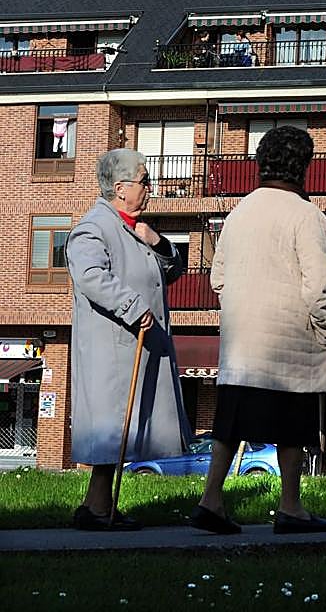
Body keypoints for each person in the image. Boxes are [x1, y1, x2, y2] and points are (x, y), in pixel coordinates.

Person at [191, 126, 326, 535]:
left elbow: (218, 279)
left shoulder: (238, 214)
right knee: (293, 428)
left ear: (261, 163)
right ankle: (291, 507)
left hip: (241, 344)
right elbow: (320, 284)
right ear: (304, 166)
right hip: (290, 343)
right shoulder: (307, 216)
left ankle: (211, 499)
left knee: (229, 425)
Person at [66, 149, 190, 531]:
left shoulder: (134, 229)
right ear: (120, 188)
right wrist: (133, 306)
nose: (150, 188)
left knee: (120, 434)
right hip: (113, 351)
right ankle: (98, 510)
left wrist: (158, 242)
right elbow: (90, 276)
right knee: (113, 432)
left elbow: (172, 271)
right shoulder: (93, 228)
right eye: (144, 181)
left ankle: (97, 507)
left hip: (137, 345)